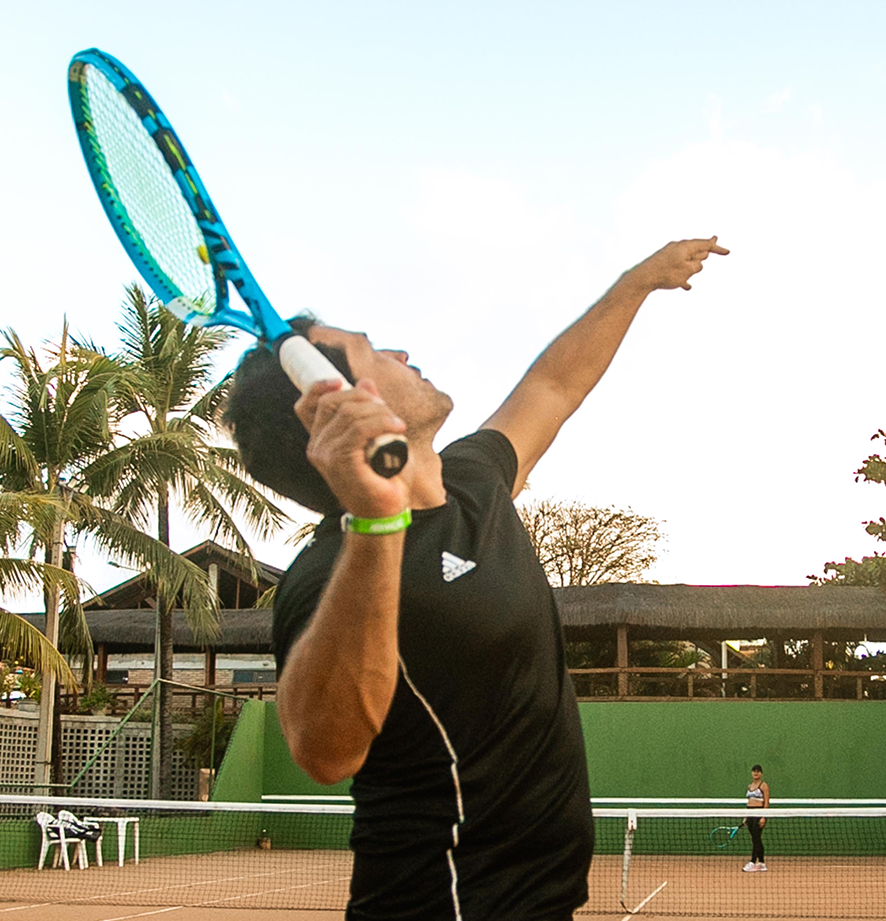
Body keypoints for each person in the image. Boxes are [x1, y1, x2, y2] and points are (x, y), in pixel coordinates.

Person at [230, 237, 729, 921]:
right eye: (377, 353)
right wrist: (376, 521)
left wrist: (635, 283)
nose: (402, 354)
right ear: (342, 405)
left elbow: (553, 385)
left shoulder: (473, 480)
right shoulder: (326, 581)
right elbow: (324, 750)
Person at [742, 764, 770, 872]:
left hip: (759, 813)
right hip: (750, 814)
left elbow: (766, 801)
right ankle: (762, 863)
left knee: (756, 838)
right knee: (755, 839)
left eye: (758, 771)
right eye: (754, 771)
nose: (756, 773)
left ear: (761, 773)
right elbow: (748, 802)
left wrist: (764, 817)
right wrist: (746, 817)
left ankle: (753, 862)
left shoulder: (763, 786)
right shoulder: (749, 786)